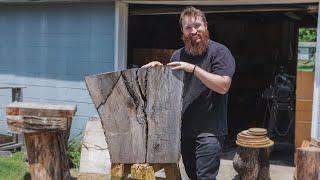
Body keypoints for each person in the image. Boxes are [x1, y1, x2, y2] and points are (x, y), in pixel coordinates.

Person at [142, 6, 235, 180]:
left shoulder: (220, 52)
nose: (194, 31)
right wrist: (159, 70)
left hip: (210, 131)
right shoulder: (177, 56)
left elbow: (223, 85)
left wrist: (193, 69)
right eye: (188, 28)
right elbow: (170, 89)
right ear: (182, 31)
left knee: (205, 177)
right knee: (192, 176)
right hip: (185, 131)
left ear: (206, 26)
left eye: (197, 26)